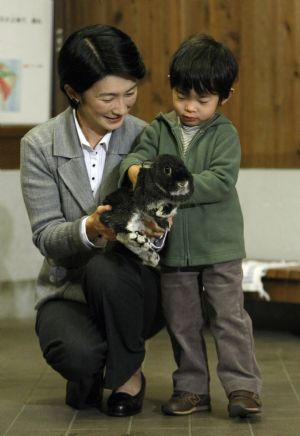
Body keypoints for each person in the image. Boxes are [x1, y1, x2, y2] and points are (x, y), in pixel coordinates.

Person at [20, 24, 164, 417]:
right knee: (77, 353)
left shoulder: (144, 137)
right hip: (69, 289)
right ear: (73, 92)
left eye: (130, 93)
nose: (121, 107)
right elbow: (47, 237)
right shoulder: (40, 145)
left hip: (135, 287)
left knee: (107, 269)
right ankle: (94, 367)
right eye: (107, 97)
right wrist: (92, 229)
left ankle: (127, 374)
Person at [120, 34, 262, 418]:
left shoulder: (224, 134)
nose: (190, 108)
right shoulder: (158, 128)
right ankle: (191, 389)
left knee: (229, 319)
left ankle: (243, 387)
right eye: (183, 95)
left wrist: (170, 184)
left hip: (220, 248)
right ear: (170, 83)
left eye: (203, 100)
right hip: (173, 252)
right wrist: (136, 171)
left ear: (225, 96)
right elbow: (133, 161)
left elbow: (220, 180)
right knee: (182, 322)